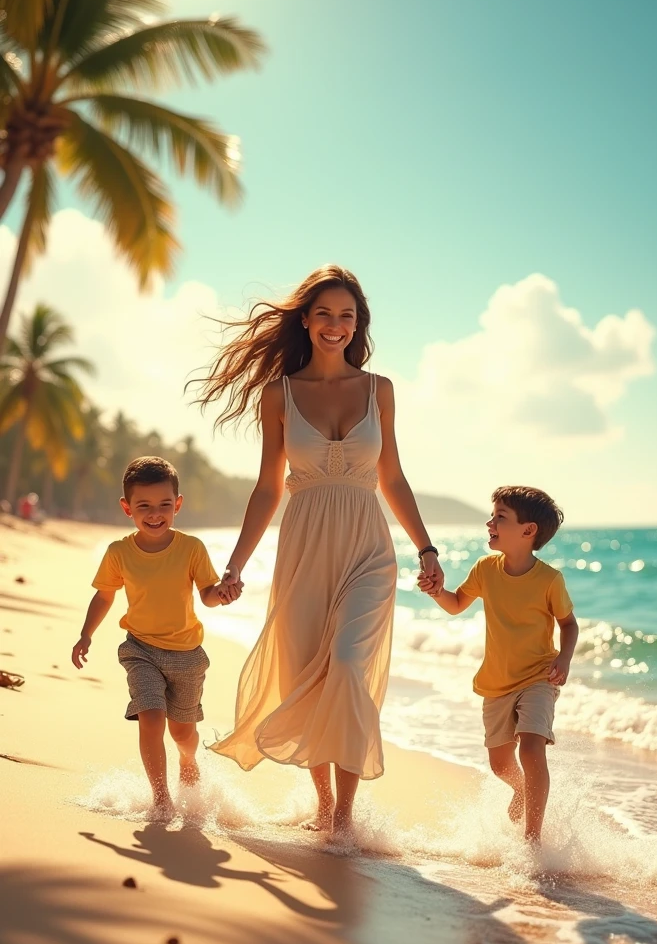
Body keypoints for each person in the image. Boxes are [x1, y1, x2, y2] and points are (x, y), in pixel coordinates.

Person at [195, 265, 444, 836]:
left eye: (347, 316)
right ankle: (325, 804)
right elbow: (267, 486)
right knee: (309, 668)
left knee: (350, 668)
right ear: (306, 321)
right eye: (325, 314)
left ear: (358, 326)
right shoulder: (277, 395)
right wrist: (235, 565)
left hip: (367, 546)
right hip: (303, 548)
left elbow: (394, 478)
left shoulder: (379, 389)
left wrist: (426, 549)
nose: (336, 325)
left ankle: (346, 816)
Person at [71, 457, 236, 818]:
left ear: (178, 504)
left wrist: (221, 594)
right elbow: (104, 596)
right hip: (140, 649)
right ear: (127, 507)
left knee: (182, 734)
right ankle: (162, 799)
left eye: (164, 505)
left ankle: (188, 759)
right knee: (150, 715)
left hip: (187, 655)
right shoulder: (118, 552)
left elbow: (207, 593)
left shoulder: (192, 548)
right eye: (144, 506)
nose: (155, 514)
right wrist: (86, 634)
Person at [418, 485, 578, 844]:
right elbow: (457, 603)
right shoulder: (486, 568)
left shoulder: (549, 579)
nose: (489, 522)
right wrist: (435, 590)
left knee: (531, 746)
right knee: (500, 764)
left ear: (528, 530)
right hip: (496, 682)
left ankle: (531, 837)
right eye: (492, 516)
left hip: (539, 676)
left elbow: (569, 624)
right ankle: (520, 790)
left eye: (500, 517)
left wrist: (564, 658)